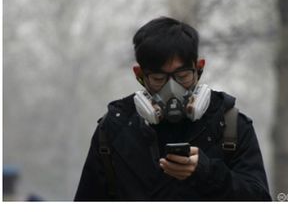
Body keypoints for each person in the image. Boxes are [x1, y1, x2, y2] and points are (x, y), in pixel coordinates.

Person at [74, 17, 270, 200]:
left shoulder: (230, 126)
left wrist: (207, 172)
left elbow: (259, 199)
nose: (172, 90)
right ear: (139, 74)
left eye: (183, 76)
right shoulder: (113, 130)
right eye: (158, 79)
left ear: (199, 68)